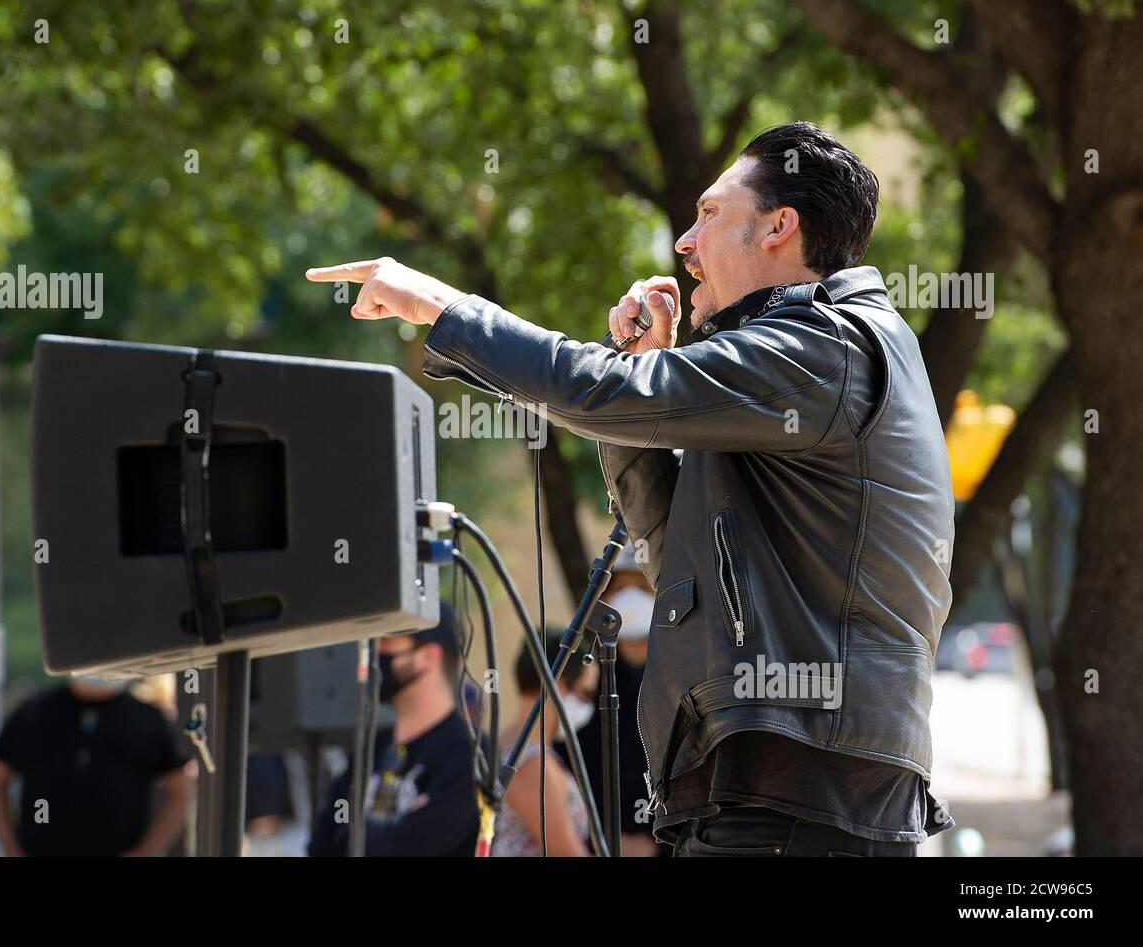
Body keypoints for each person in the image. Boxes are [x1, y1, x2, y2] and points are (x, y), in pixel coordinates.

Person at [306, 121, 958, 856]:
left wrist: (444, 307)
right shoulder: (779, 374)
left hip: (802, 794)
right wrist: (645, 396)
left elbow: (598, 387)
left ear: (781, 227)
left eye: (710, 213)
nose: (684, 242)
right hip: (763, 790)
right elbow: (668, 549)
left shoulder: (827, 346)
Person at [307, 603, 481, 856]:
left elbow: (414, 848)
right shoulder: (373, 746)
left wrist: (354, 834)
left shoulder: (468, 755)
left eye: (387, 644)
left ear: (428, 656)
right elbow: (322, 844)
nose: (376, 653)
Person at [0, 675, 191, 856]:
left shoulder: (148, 719)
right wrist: (12, 851)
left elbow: (179, 793)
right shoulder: (34, 711)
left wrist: (146, 851)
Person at [575, 542, 662, 856]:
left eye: (641, 586)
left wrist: (655, 847)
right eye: (620, 588)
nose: (630, 598)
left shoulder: (687, 680)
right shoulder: (582, 687)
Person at [492, 629, 598, 857]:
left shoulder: (503, 746)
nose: (587, 706)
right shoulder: (532, 763)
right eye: (584, 693)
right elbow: (566, 853)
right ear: (556, 684)